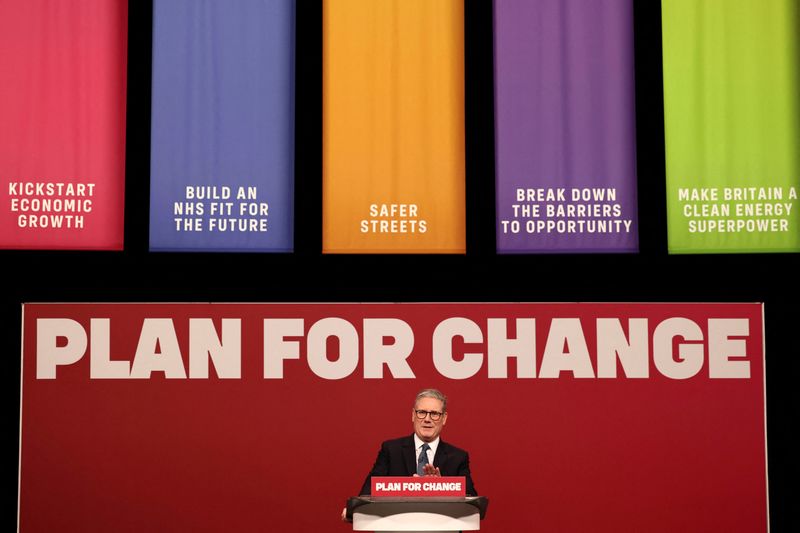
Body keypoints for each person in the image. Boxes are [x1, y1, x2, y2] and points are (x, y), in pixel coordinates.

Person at [358, 388, 477, 496]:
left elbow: (472, 502)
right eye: (422, 413)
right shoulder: (391, 450)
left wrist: (443, 487)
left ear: (444, 418)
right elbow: (367, 493)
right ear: (413, 415)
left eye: (434, 414)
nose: (427, 419)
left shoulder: (458, 458)